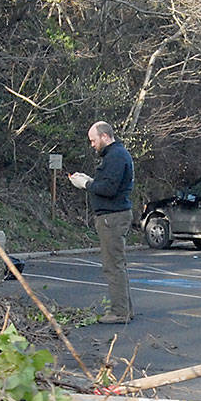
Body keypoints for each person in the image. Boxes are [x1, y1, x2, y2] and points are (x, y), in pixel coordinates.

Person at [68, 121, 134, 324]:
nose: (92, 145)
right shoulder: (117, 155)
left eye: (93, 140)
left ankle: (119, 312)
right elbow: (106, 184)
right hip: (113, 215)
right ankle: (125, 309)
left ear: (105, 137)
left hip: (111, 218)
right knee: (118, 264)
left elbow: (108, 189)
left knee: (112, 266)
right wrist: (89, 180)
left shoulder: (115, 156)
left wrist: (86, 183)